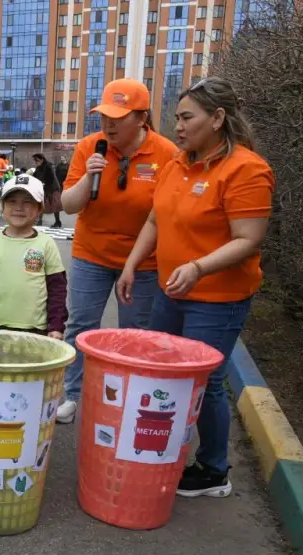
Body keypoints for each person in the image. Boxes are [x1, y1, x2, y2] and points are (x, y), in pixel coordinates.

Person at [116, 77, 274, 498]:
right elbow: (155, 219)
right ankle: (164, 449)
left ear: (218, 118)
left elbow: (248, 238)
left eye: (187, 117)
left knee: (205, 380)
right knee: (168, 376)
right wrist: (131, 264)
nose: (179, 127)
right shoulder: (178, 163)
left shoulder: (246, 169)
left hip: (217, 299)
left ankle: (213, 469)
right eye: (177, 118)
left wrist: (199, 267)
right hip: (173, 291)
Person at [56, 78, 179, 424]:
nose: (108, 124)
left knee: (134, 332)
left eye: (118, 116)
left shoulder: (166, 153)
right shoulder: (89, 148)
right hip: (91, 254)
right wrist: (87, 177)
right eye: (104, 115)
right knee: (81, 325)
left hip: (143, 262)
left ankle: (126, 396)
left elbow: (165, 215)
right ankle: (73, 393)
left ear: (141, 118)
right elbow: (68, 205)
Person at [0, 175, 68, 336]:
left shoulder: (46, 244)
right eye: (12, 201)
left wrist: (56, 325)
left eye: (27, 202)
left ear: (39, 208)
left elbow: (57, 288)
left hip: (37, 330)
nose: (19, 208)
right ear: (2, 206)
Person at [31, 153, 62, 228]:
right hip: (43, 188)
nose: (35, 162)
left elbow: (51, 177)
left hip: (52, 188)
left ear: (42, 159)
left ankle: (57, 222)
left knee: (55, 205)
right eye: (35, 161)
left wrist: (44, 183)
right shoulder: (38, 168)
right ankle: (40, 221)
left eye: (37, 160)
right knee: (41, 203)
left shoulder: (48, 166)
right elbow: (34, 177)